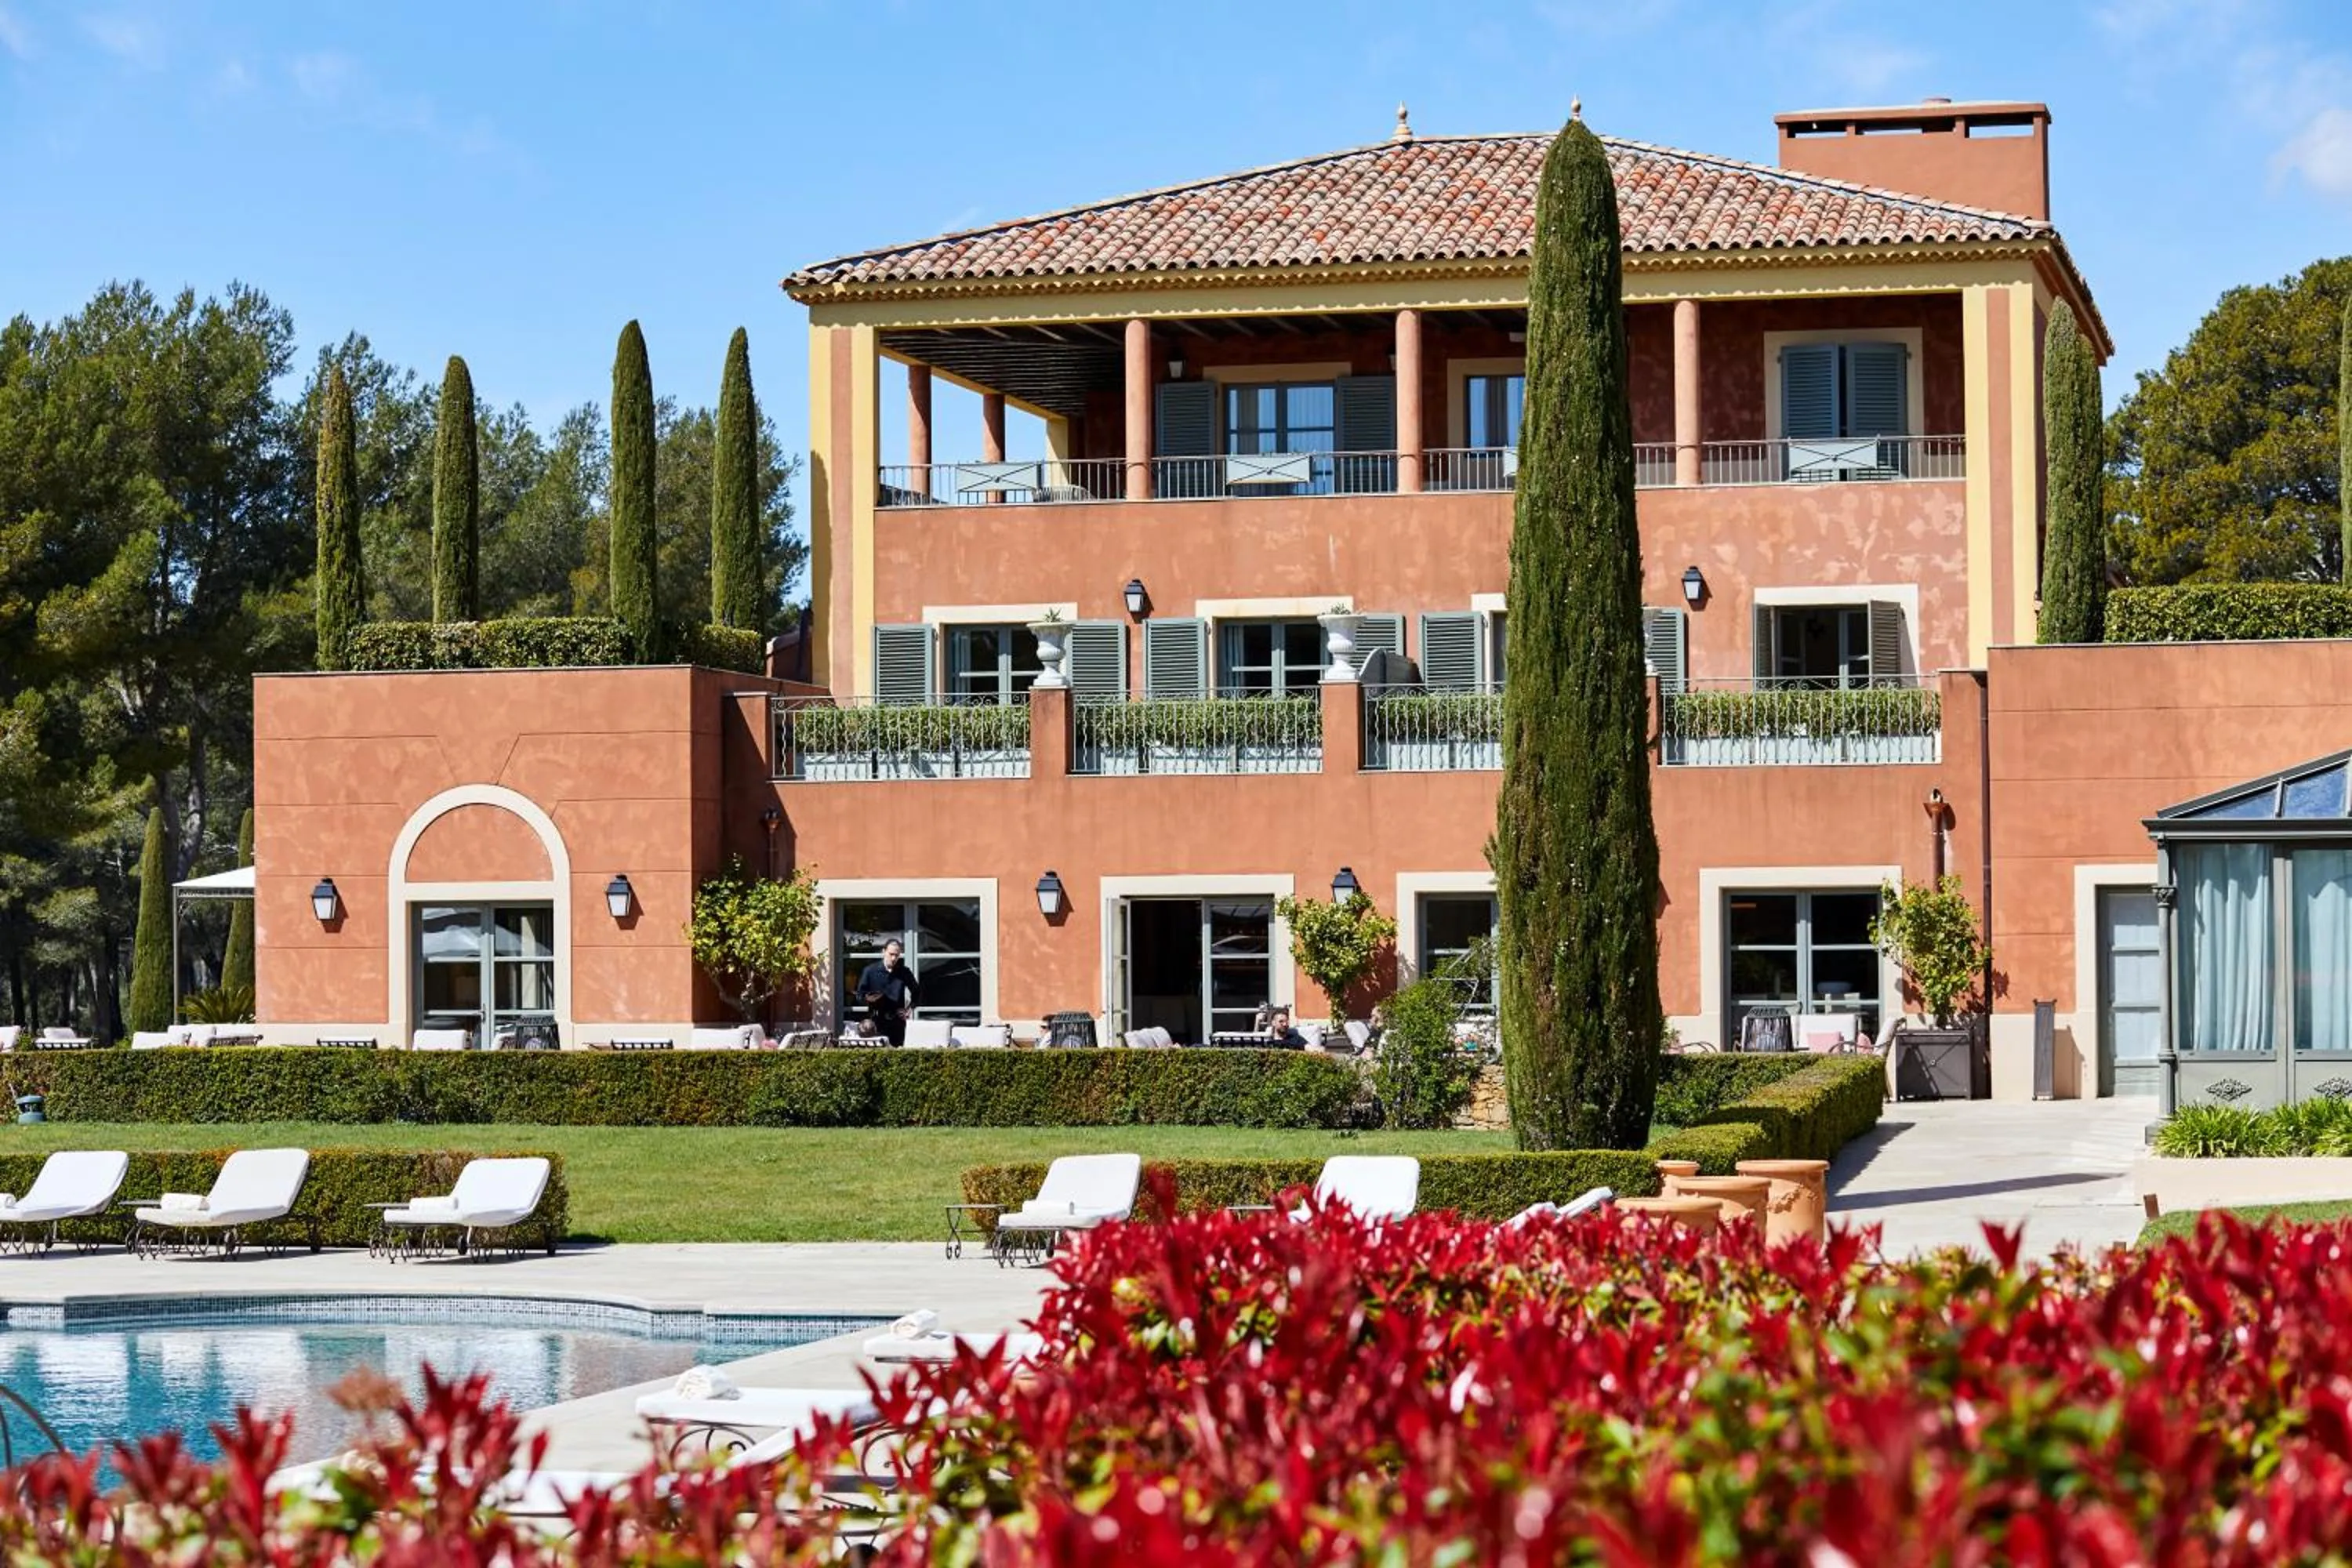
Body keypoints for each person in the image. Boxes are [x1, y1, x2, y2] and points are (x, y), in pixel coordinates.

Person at [856, 938, 920, 1047]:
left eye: (897, 955)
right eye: (891, 954)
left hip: (896, 1023)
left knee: (896, 1059)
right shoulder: (870, 971)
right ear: (883, 952)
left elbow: (917, 991)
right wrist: (868, 999)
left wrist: (908, 1009)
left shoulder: (904, 972)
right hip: (875, 1023)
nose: (894, 958)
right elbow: (859, 995)